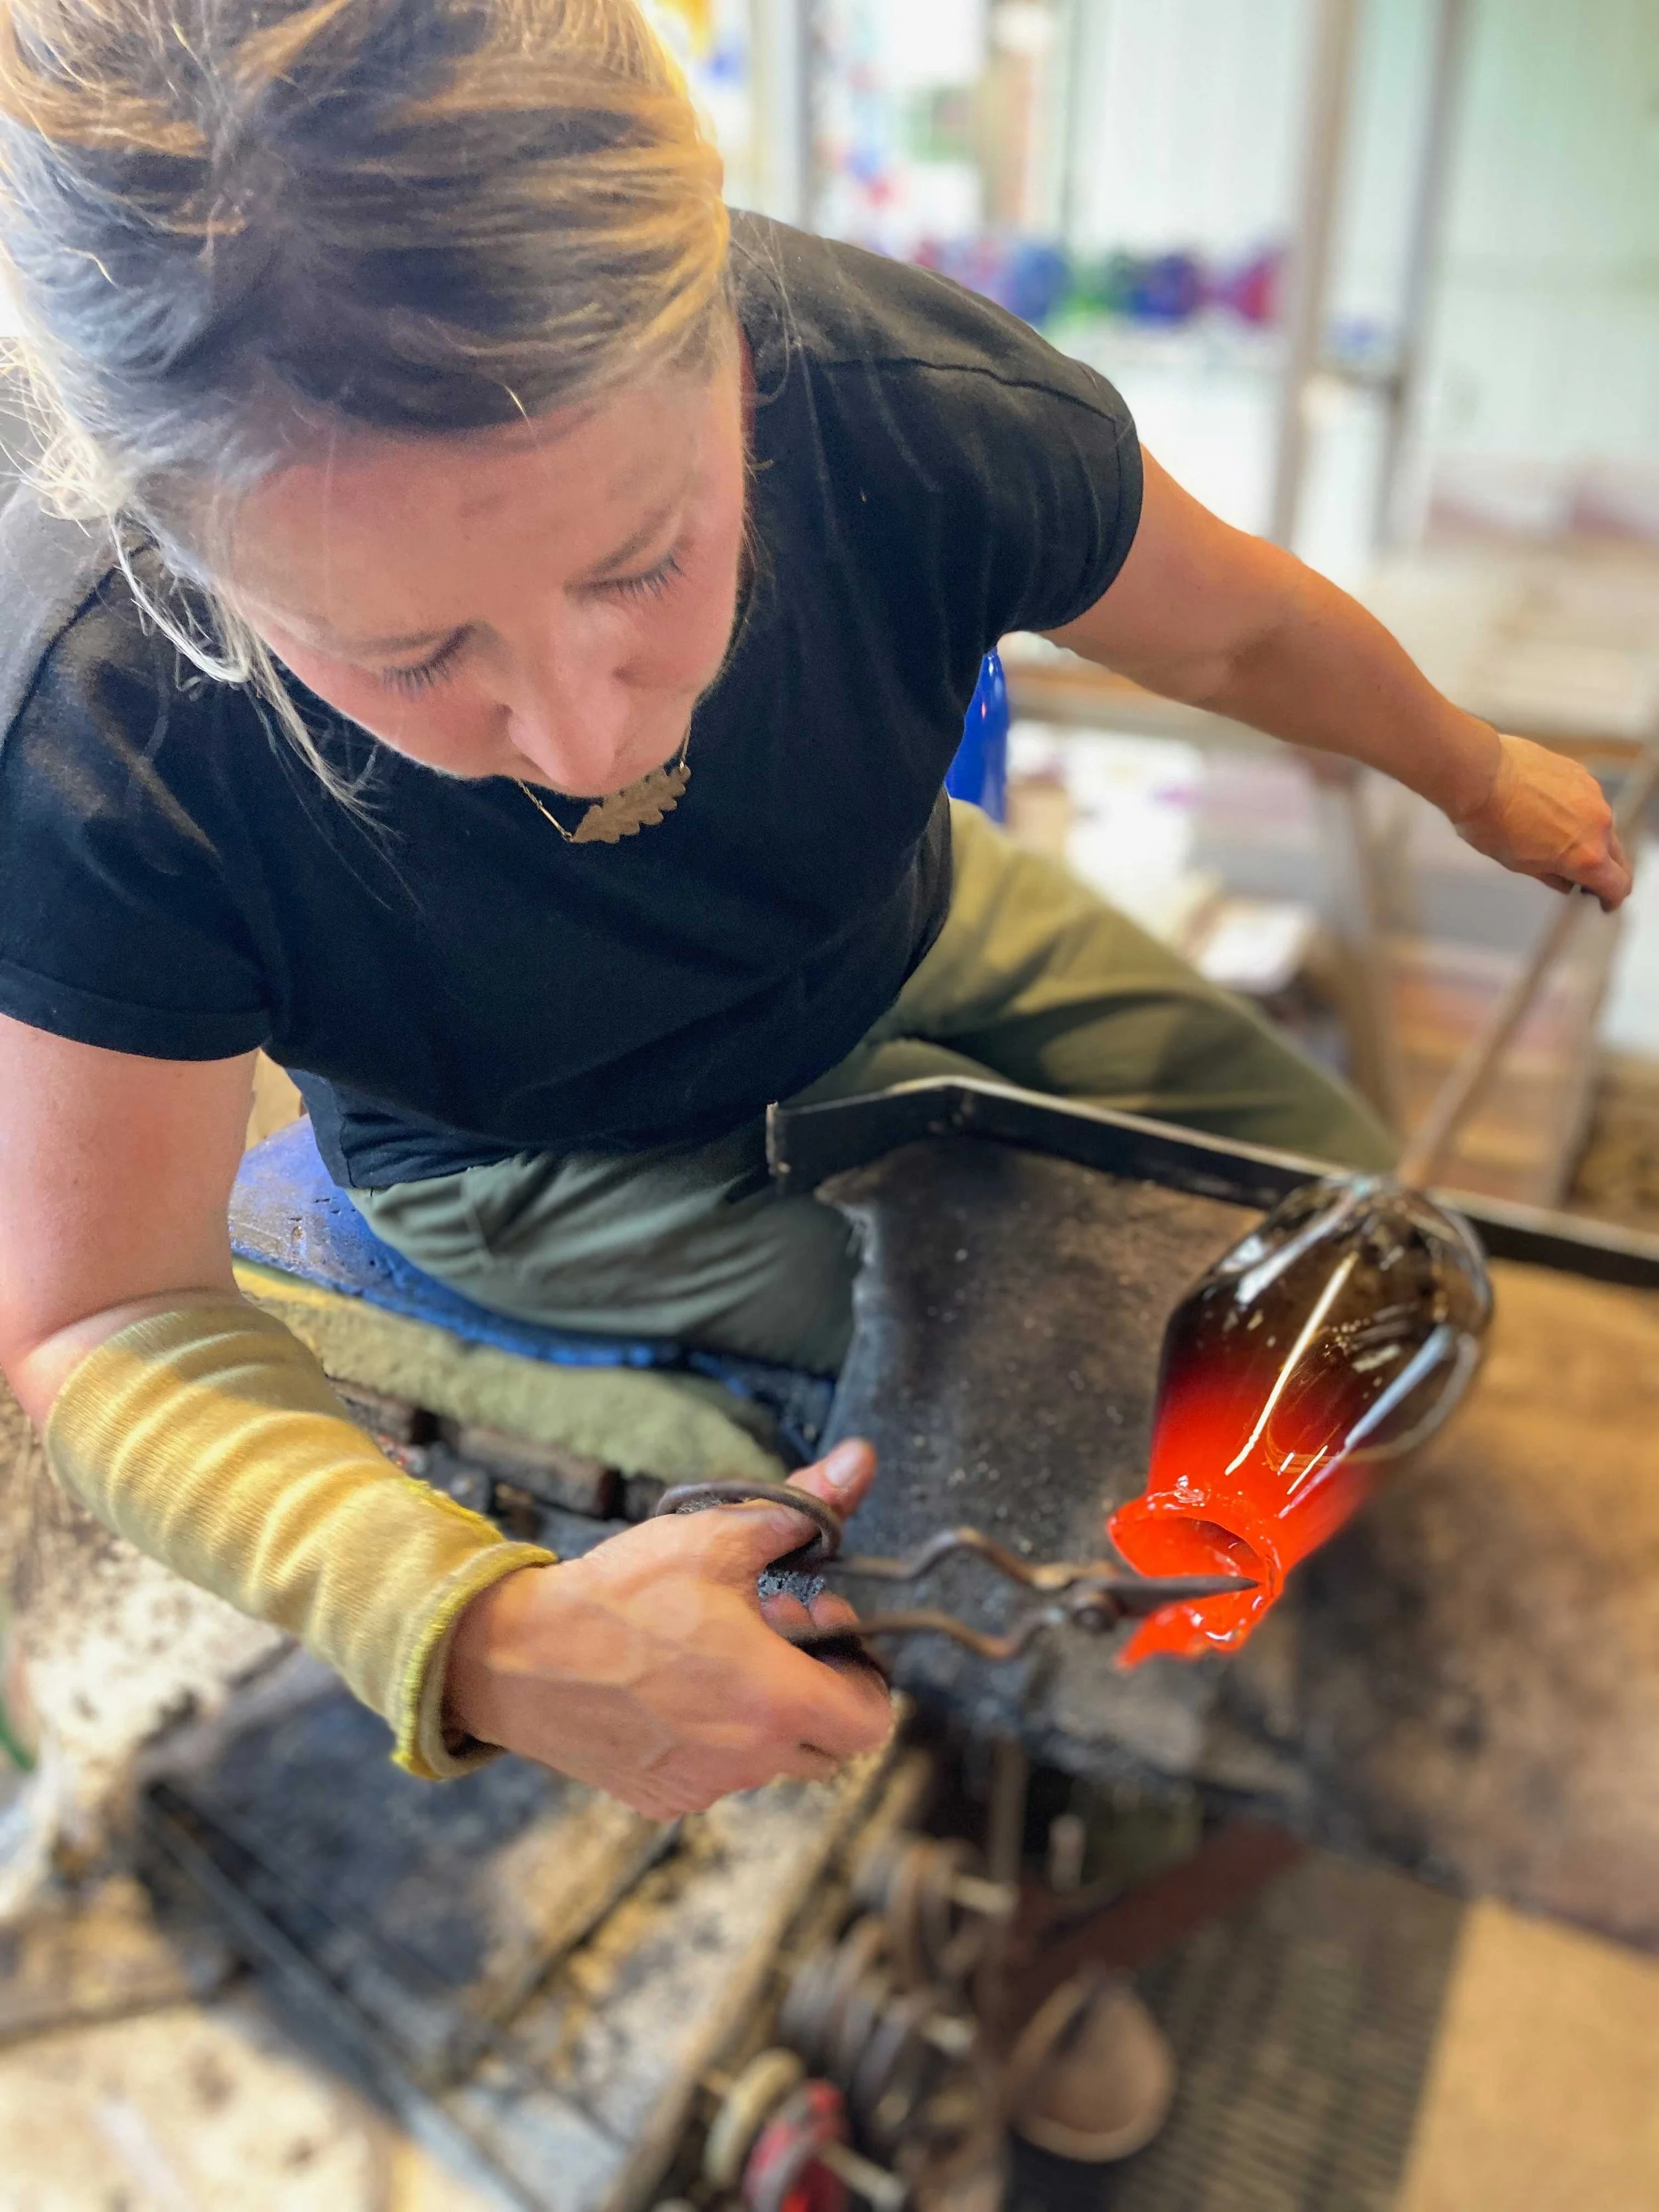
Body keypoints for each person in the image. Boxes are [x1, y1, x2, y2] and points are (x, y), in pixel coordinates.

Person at [0, 0, 1628, 1823]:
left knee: (1343, 1208)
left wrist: (1468, 765)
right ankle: (1065, 1812)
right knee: (1042, 1420)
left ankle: (1207, 1628)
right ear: (186, 562)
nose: (582, 733)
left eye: (640, 562)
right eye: (410, 654)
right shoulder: (102, 721)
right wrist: (471, 1628)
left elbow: (1233, 625)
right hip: (529, 1145)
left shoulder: (906, 396)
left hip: (907, 917)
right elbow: (100, 1314)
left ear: (738, 352)